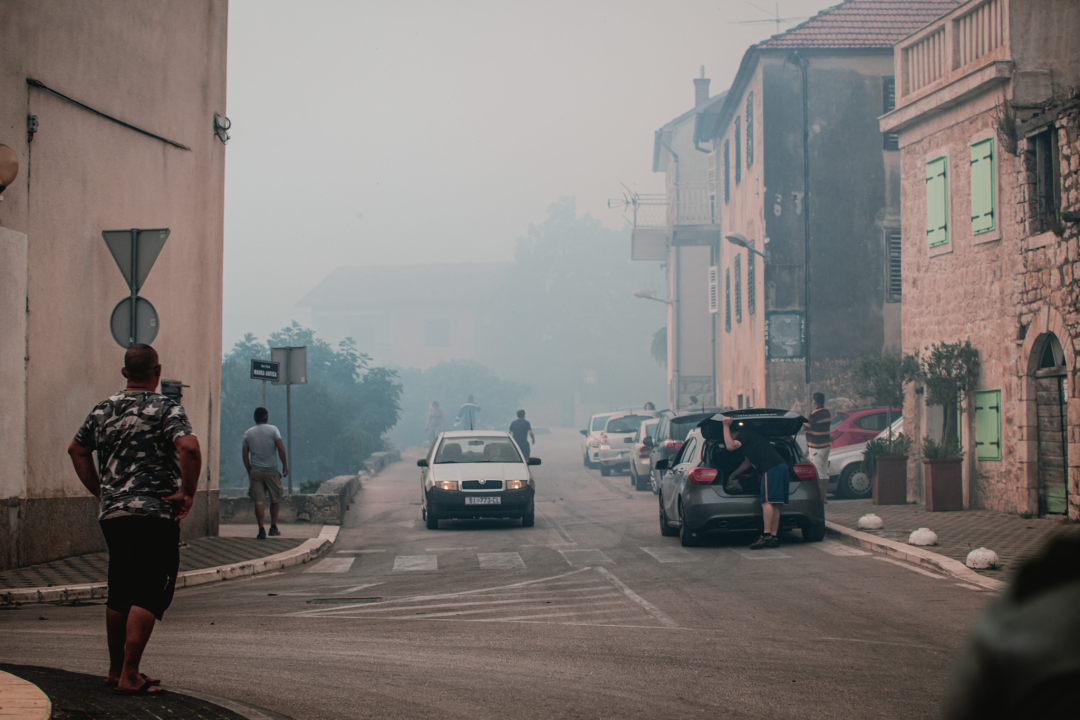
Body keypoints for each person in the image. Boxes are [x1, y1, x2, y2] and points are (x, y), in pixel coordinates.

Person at [67, 344, 201, 695]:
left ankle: (116, 671)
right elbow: (188, 448)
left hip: (114, 514)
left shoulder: (102, 409)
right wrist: (188, 493)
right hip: (154, 512)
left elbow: (77, 450)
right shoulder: (166, 408)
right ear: (158, 371)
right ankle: (130, 675)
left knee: (121, 588)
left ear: (125, 373)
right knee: (151, 588)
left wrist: (101, 492)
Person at [722, 416, 788, 549]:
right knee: (774, 504)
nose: (729, 438)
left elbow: (730, 446)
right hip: (780, 466)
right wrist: (733, 475)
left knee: (766, 502)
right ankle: (773, 537)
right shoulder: (750, 439)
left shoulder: (744, 434)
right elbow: (747, 462)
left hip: (772, 467)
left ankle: (767, 536)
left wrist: (725, 426)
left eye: (730, 436)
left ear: (733, 433)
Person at [242, 407, 289, 539]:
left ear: (254, 418)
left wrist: (250, 471)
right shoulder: (273, 430)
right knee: (275, 498)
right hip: (272, 471)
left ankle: (261, 529)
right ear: (266, 417)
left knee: (258, 500)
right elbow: (280, 448)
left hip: (255, 471)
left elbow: (245, 456)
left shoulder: (248, 433)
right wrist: (285, 465)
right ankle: (273, 527)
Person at [804, 392, 831, 503]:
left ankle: (819, 497)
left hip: (817, 448)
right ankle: (824, 497)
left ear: (814, 402)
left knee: (818, 473)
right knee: (825, 472)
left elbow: (804, 427)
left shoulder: (814, 414)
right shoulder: (827, 412)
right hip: (826, 447)